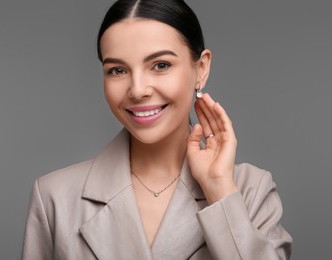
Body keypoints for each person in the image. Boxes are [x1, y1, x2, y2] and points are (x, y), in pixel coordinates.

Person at [22, 0, 292, 259]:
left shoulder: (250, 190)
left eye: (161, 65)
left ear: (201, 68)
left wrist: (219, 189)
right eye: (117, 70)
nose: (138, 90)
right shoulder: (54, 198)